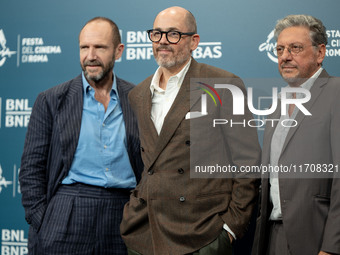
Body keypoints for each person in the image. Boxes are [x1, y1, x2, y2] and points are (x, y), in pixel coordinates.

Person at [120, 6, 261, 255]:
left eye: (173, 34)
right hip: (145, 235)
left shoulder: (223, 84)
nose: (163, 41)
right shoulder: (138, 94)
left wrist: (230, 228)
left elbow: (247, 162)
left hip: (201, 233)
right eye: (157, 33)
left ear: (194, 41)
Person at [19, 17, 143, 255]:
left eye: (100, 47)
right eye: (85, 47)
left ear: (118, 51)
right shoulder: (51, 100)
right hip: (67, 210)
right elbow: (31, 168)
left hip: (124, 213)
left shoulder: (139, 99)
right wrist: (42, 220)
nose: (91, 55)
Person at [252, 15, 340, 255]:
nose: (284, 56)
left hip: (317, 237)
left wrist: (333, 247)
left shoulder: (336, 93)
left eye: (295, 48)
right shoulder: (278, 104)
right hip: (273, 235)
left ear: (320, 53)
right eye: (280, 49)